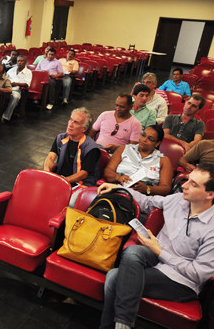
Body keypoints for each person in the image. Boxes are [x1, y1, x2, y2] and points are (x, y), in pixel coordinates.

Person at [98, 163, 214, 329]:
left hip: (181, 281)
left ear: (210, 194)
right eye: (188, 180)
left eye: (193, 184)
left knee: (114, 278)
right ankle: (122, 325)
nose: (184, 185)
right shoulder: (177, 200)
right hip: (157, 259)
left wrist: (158, 250)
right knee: (133, 251)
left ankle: (118, 325)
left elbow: (197, 274)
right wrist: (117, 187)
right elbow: (147, 201)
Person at [43, 108, 101, 206]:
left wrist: (62, 182)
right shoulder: (61, 138)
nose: (70, 124)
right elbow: (50, 157)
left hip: (81, 184)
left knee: (70, 203)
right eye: (70, 120)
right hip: (61, 179)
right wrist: (47, 171)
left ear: (84, 129)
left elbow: (83, 174)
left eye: (76, 122)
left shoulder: (91, 148)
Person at [103, 125, 173, 196]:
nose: (144, 139)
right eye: (143, 135)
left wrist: (147, 189)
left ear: (157, 143)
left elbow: (166, 188)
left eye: (150, 139)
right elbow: (108, 171)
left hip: (145, 197)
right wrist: (118, 177)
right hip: (119, 190)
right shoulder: (124, 149)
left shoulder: (163, 160)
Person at [3, 55, 32, 122]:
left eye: (21, 61)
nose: (19, 62)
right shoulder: (11, 70)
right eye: (18, 61)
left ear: (25, 62)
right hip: (7, 88)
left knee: (15, 97)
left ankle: (6, 117)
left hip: (17, 90)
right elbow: (4, 78)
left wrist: (16, 84)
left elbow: (27, 84)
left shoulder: (28, 72)